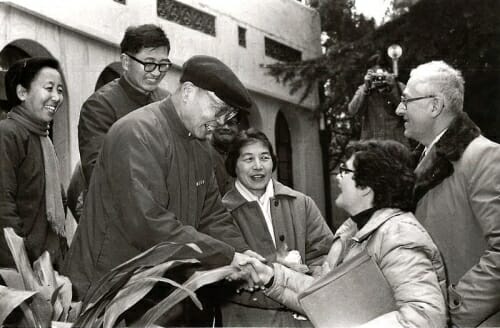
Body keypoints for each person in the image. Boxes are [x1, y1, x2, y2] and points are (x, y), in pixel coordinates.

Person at [63, 55, 263, 307]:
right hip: (107, 292)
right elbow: (148, 223)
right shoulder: (137, 132)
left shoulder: (200, 147)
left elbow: (212, 215)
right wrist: (226, 257)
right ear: (189, 92)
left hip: (157, 291)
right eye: (220, 110)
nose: (222, 121)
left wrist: (243, 253)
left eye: (230, 115)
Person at [238, 140, 447, 327]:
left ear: (366, 186)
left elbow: (424, 318)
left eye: (344, 171)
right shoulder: (354, 231)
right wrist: (271, 275)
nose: (338, 178)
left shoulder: (399, 236)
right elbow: (326, 297)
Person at [395, 60, 500, 327]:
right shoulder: (424, 160)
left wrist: (454, 311)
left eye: (406, 100)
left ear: (435, 105)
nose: (399, 109)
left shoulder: (484, 155)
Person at [218, 128, 334, 327]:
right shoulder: (220, 214)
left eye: (264, 158)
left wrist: (309, 291)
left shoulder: (301, 203)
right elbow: (222, 275)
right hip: (246, 321)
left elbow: (325, 257)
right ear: (233, 165)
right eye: (248, 159)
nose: (258, 166)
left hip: (303, 318)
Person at [78, 24, 171, 184]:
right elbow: (98, 173)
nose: (156, 73)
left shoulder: (167, 102)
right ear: (126, 62)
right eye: (149, 64)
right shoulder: (99, 106)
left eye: (163, 65)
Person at [0, 57, 67, 269]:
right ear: (22, 93)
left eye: (60, 90)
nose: (56, 97)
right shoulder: (8, 134)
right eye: (49, 88)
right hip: (15, 271)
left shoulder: (44, 140)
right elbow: (3, 208)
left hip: (44, 268)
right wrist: (23, 267)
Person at [348, 65, 409, 146]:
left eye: (382, 76)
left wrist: (393, 88)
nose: (379, 79)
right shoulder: (365, 89)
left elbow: (408, 109)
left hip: (396, 144)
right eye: (375, 77)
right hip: (371, 144)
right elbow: (352, 111)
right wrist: (365, 89)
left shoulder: (398, 86)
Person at [208, 110, 249, 196]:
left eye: (231, 123)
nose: (226, 127)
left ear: (237, 127)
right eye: (221, 123)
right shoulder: (202, 154)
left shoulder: (242, 155)